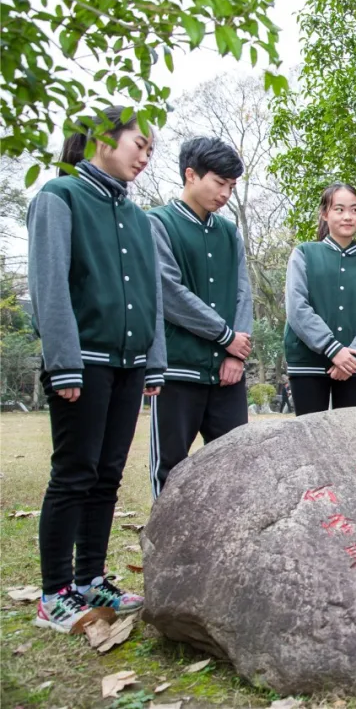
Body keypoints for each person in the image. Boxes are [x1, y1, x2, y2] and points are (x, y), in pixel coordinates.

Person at [27, 106, 166, 632]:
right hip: (82, 363)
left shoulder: (137, 216)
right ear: (103, 140)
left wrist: (154, 361)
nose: (145, 157)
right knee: (74, 474)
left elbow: (151, 295)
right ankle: (54, 593)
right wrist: (63, 362)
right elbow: (49, 285)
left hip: (130, 364)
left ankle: (90, 579)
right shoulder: (59, 196)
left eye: (150, 150)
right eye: (139, 145)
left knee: (107, 476)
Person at [147, 137, 252, 499]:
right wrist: (225, 336)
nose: (225, 194)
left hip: (227, 373)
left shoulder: (229, 232)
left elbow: (242, 292)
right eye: (219, 183)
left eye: (231, 186)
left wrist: (237, 353)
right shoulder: (157, 223)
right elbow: (168, 292)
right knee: (170, 466)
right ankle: (165, 535)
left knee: (236, 465)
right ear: (191, 175)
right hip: (177, 369)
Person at [284, 182, 356, 415]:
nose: (348, 216)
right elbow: (297, 307)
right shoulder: (304, 254)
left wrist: (352, 357)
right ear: (325, 214)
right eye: (339, 209)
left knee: (351, 434)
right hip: (308, 362)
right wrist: (333, 349)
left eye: (354, 209)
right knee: (308, 432)